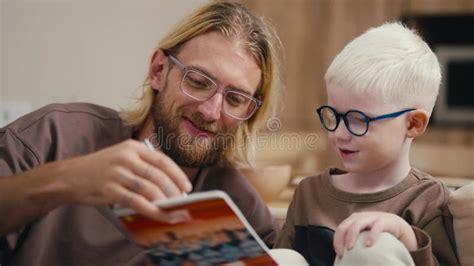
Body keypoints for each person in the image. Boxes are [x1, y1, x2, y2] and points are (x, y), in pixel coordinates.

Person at [0, 1, 283, 265]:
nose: (210, 112)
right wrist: (65, 180)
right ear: (158, 70)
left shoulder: (245, 214)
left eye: (234, 99)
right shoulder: (54, 137)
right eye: (197, 82)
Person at [274, 22, 459, 266]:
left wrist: (405, 236)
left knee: (368, 246)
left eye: (357, 120)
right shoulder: (309, 192)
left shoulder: (428, 198)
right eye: (334, 115)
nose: (339, 133)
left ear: (413, 124)